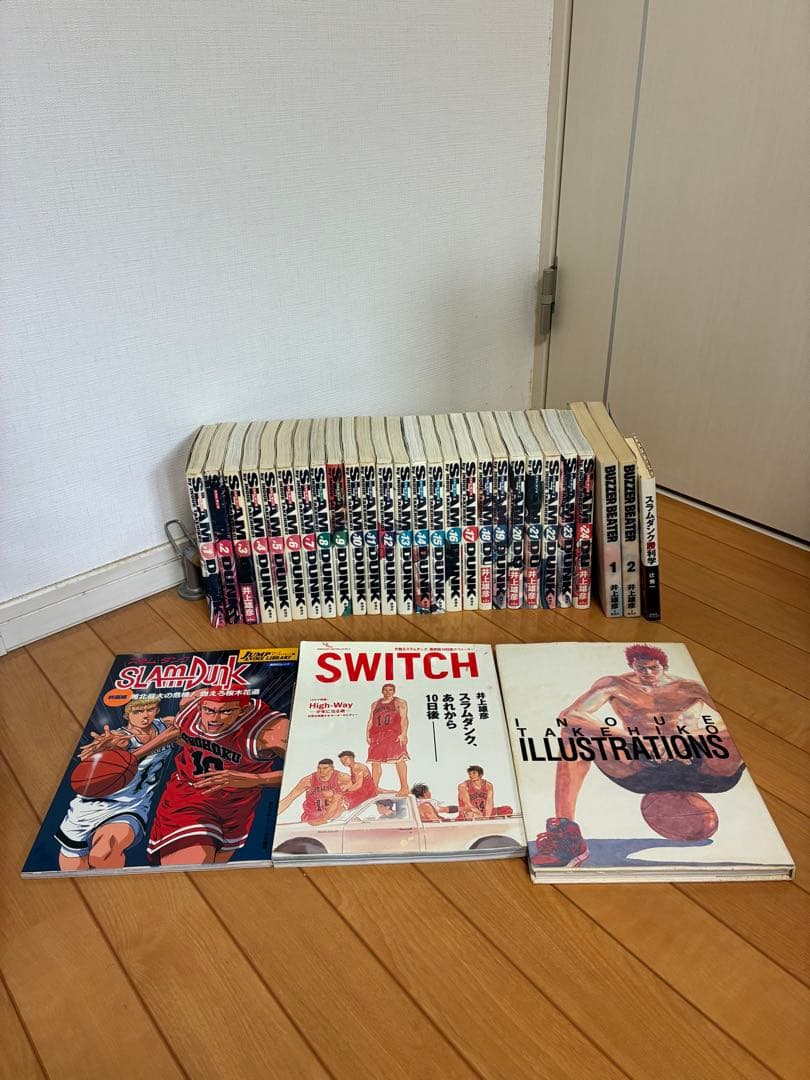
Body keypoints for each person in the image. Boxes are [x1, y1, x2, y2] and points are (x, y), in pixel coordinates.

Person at [533, 644, 745, 868]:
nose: (648, 673)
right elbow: (570, 715)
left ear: (664, 666)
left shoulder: (689, 687)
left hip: (698, 764)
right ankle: (567, 834)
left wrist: (689, 738)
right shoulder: (614, 685)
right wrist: (633, 739)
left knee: (733, 739)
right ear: (633, 666)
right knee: (573, 734)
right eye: (642, 668)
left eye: (653, 668)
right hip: (643, 766)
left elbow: (736, 719)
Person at [122, 690, 289, 866]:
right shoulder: (190, 705)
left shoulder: (271, 730)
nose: (214, 718)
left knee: (211, 873)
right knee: (191, 867)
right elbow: (178, 731)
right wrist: (135, 756)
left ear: (243, 710)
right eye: (208, 710)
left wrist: (258, 779)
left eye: (225, 711)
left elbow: (304, 771)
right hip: (188, 797)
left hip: (237, 809)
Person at [56, 696, 174, 871]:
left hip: (131, 807)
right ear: (127, 715)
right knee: (73, 872)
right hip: (88, 809)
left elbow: (179, 731)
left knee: (103, 854)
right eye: (138, 711)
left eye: (150, 709)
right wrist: (102, 750)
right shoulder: (119, 739)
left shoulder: (166, 725)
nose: (145, 715)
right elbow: (89, 766)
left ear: (157, 710)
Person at [278, 758, 350, 826]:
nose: (321, 770)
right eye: (319, 768)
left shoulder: (342, 778)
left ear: (332, 769)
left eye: (325, 768)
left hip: (334, 820)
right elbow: (289, 798)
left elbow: (353, 787)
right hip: (312, 819)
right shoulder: (308, 780)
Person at [366, 683, 409, 795]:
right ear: (382, 691)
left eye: (390, 690)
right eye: (385, 690)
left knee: (399, 759)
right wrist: (367, 734)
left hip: (392, 734)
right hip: (377, 735)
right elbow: (371, 720)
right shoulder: (375, 704)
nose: (388, 692)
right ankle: (374, 788)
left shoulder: (399, 702)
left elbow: (404, 719)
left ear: (394, 691)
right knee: (375, 762)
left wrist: (403, 734)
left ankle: (404, 787)